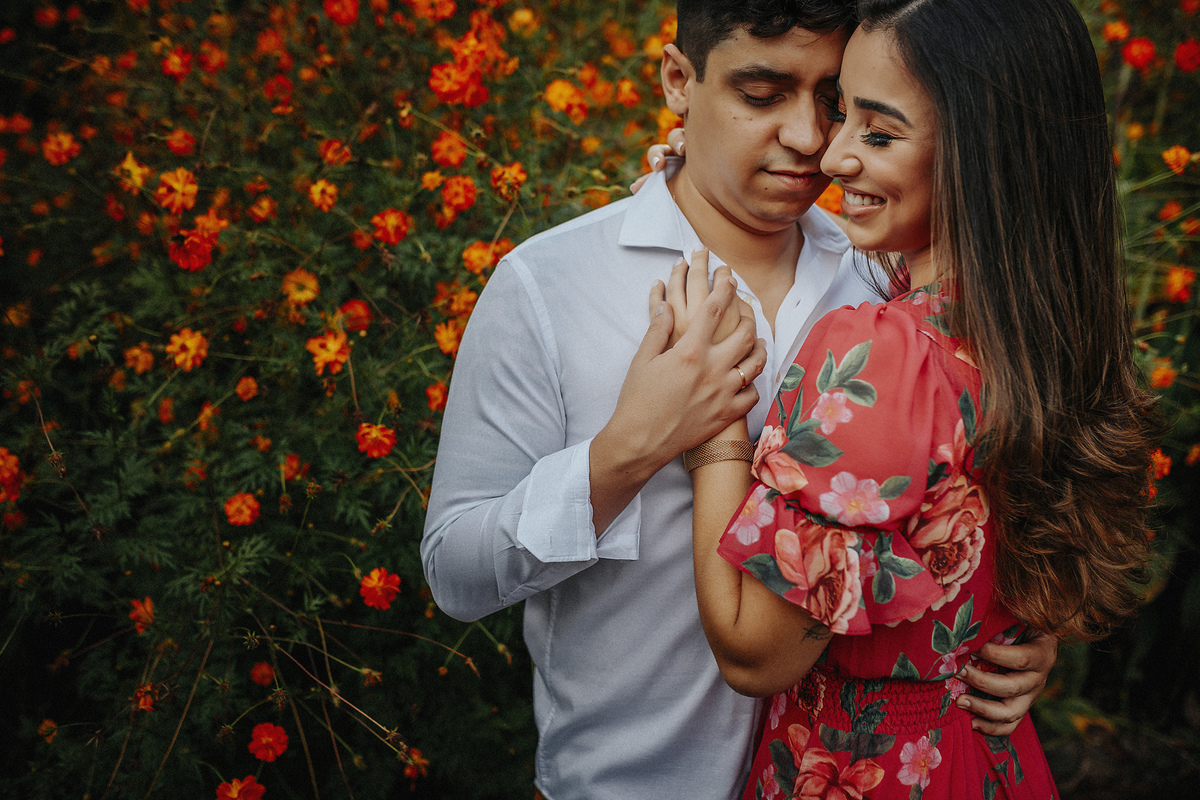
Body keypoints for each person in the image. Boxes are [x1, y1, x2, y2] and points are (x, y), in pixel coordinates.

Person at [421, 3, 1055, 798]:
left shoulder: (878, 276)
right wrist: (628, 452)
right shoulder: (548, 287)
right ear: (679, 80)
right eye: (763, 94)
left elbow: (982, 481)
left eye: (832, 100)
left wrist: (1003, 639)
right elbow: (454, 573)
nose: (810, 138)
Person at [655, 0, 1159, 797]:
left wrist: (714, 430)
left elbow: (759, 651)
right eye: (841, 113)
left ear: (983, 155)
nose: (832, 153)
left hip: (869, 771)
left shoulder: (884, 352)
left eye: (878, 132)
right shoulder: (1052, 333)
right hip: (985, 756)